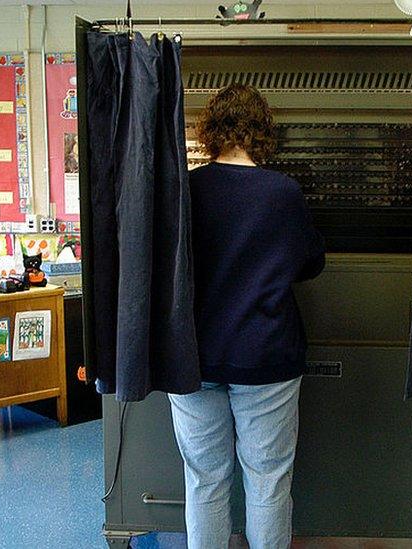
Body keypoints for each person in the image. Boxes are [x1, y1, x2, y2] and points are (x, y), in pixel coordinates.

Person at [167, 83, 325, 549]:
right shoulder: (283, 193)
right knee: (269, 479)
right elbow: (310, 262)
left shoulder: (185, 190)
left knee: (204, 479)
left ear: (210, 130)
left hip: (193, 357)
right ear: (262, 132)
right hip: (266, 356)